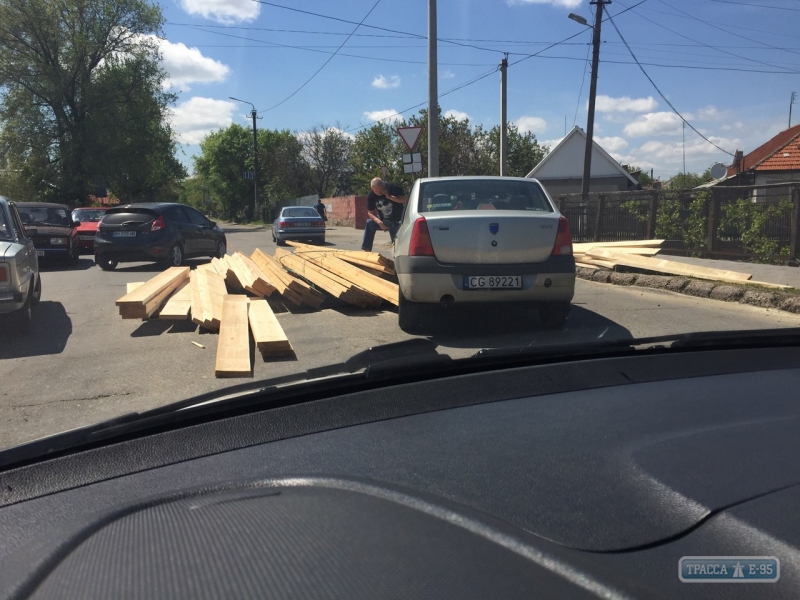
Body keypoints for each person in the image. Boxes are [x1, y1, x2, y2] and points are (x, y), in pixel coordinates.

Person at [361, 177, 407, 251]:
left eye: (381, 188)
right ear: (372, 188)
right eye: (377, 190)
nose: (380, 191)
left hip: (397, 220)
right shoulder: (371, 195)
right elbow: (370, 212)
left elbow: (405, 199)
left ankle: (397, 254)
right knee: (369, 223)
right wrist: (379, 222)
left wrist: (389, 197)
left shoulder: (392, 187)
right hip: (383, 219)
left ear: (384, 185)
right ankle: (367, 250)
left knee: (397, 245)